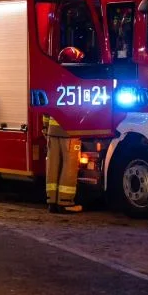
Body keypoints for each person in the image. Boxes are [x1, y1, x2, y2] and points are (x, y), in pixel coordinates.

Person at [45, 46, 86, 214]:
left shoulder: (52, 79)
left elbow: (46, 107)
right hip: (69, 131)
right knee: (69, 165)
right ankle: (65, 201)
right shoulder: (75, 80)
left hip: (52, 130)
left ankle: (52, 201)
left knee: (53, 165)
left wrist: (45, 127)